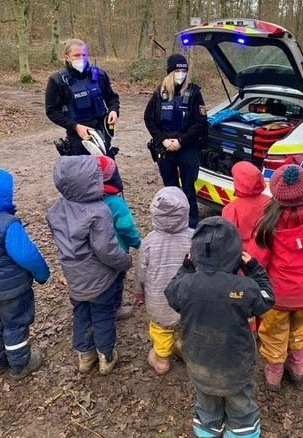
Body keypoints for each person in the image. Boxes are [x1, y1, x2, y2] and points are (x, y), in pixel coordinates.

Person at [164, 216, 275, 438]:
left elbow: (170, 292)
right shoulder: (244, 287)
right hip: (236, 366)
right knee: (240, 408)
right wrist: (254, 269)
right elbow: (267, 298)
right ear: (236, 253)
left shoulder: (186, 285)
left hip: (199, 364)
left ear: (195, 253)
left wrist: (187, 267)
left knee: (206, 402)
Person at [248, 164, 303, 391]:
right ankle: (297, 366)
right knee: (298, 326)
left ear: (275, 194)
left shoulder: (267, 227)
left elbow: (257, 263)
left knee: (274, 331)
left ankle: (274, 373)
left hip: (277, 296)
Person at [46, 155, 132, 375]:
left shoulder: (56, 208)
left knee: (81, 314)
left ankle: (85, 357)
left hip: (74, 277)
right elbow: (107, 250)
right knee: (102, 315)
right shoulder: (98, 211)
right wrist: (125, 262)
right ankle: (106, 357)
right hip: (100, 279)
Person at [0, 167, 50, 379]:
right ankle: (20, 363)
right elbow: (27, 255)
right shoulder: (8, 225)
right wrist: (42, 274)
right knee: (15, 324)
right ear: (5, 194)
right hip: (13, 290)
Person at [133, 186, 193, 375]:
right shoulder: (194, 237)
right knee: (187, 327)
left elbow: (141, 271)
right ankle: (185, 349)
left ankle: (161, 359)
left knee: (161, 330)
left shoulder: (149, 242)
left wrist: (139, 292)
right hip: (188, 301)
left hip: (159, 301)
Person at [144, 53, 207, 228]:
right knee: (170, 188)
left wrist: (181, 141)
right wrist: (163, 140)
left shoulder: (194, 92)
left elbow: (200, 122)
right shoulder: (159, 93)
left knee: (188, 189)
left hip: (186, 147)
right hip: (165, 148)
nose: (181, 73)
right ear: (170, 72)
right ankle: (171, 223)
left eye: (184, 70)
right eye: (178, 70)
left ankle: (192, 225)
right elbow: (149, 119)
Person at [45, 38, 120, 157]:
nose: (81, 58)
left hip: (102, 133)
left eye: (84, 55)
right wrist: (75, 127)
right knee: (83, 174)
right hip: (77, 137)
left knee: (109, 174)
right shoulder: (57, 81)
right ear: (67, 57)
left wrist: (113, 110)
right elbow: (52, 111)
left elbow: (112, 98)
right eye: (76, 55)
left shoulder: (99, 74)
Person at [222, 161, 271, 335]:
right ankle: (265, 324)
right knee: (263, 290)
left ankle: (249, 331)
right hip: (266, 255)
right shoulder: (270, 203)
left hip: (241, 259)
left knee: (244, 295)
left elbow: (227, 236)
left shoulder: (231, 208)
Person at [96, 155, 142, 320]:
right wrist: (138, 243)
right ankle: (115, 309)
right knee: (116, 281)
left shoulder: (86, 200)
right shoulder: (115, 202)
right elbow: (126, 227)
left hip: (93, 252)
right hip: (116, 252)